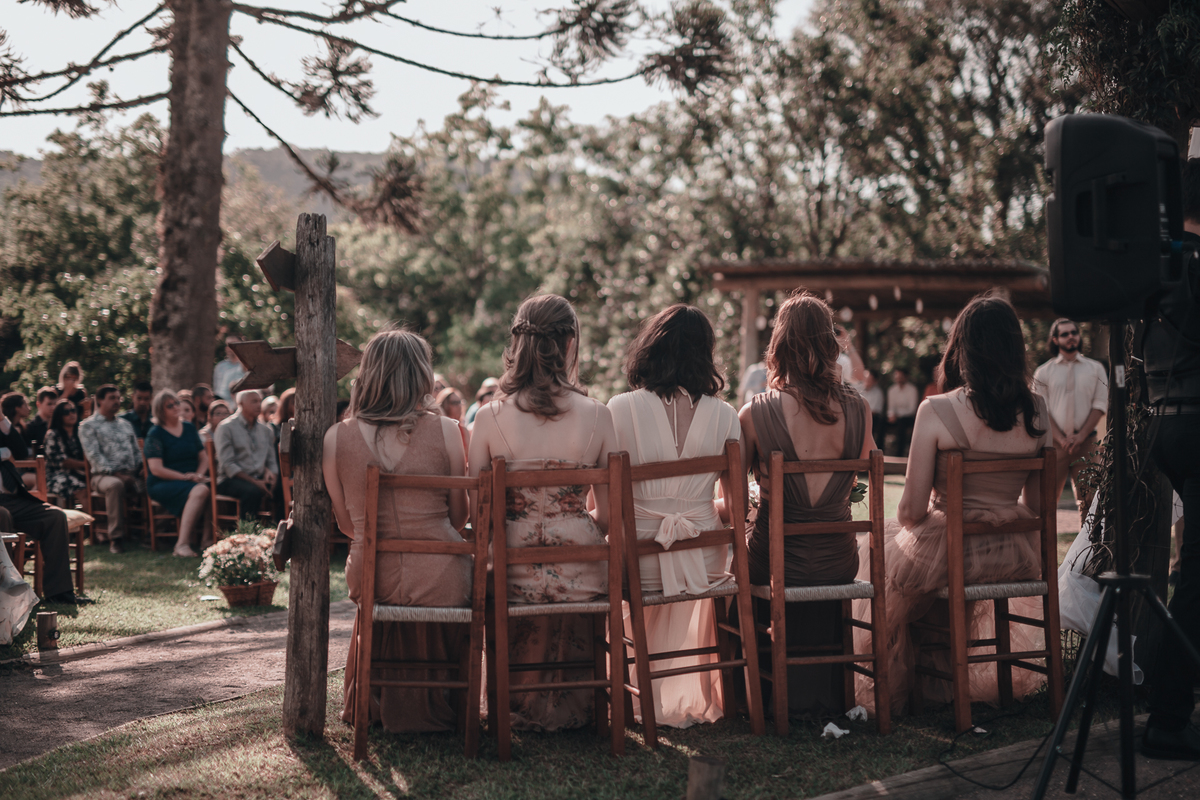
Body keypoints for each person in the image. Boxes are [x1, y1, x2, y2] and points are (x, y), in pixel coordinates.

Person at [858, 292, 1051, 714]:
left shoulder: (938, 409)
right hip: (1014, 552)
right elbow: (1038, 504)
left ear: (963, 349)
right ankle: (940, 683)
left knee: (880, 555)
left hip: (953, 549)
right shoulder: (1038, 410)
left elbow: (910, 513)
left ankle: (917, 686)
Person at [468, 294, 619, 731]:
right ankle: (579, 706)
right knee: (579, 559)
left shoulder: (490, 417)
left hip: (512, 573)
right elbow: (608, 517)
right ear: (570, 344)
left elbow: (481, 518)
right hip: (584, 571)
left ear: (518, 345)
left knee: (508, 564)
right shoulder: (599, 415)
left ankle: (514, 702)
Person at [324, 327, 471, 733]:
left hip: (372, 575)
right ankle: (440, 700)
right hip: (442, 576)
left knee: (370, 570)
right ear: (421, 374)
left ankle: (377, 697)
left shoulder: (337, 437)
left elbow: (345, 523)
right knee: (453, 571)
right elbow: (458, 517)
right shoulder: (447, 431)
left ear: (368, 373)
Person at [739, 291, 876, 715]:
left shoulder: (753, 413)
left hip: (774, 563)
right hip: (839, 560)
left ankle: (752, 695)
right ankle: (826, 689)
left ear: (778, 346)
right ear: (829, 344)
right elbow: (866, 469)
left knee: (731, 565)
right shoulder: (859, 409)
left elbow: (733, 492)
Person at [609, 304, 739, 728]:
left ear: (651, 347)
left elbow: (610, 506)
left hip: (641, 561)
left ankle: (631, 691)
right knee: (701, 567)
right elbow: (735, 510)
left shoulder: (619, 409)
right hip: (704, 563)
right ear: (706, 354)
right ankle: (688, 688)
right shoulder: (726, 416)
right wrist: (700, 512)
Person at [1140, 157, 1200, 759]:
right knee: (1197, 577)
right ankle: (1168, 713)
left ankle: (1168, 702)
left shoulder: (1156, 268)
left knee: (1194, 571)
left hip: (1166, 423)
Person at [0, 412, 88, 604]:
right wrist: (4, 453)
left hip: (12, 497)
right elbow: (8, 453)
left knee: (55, 517)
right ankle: (7, 595)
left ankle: (59, 593)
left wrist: (1, 420)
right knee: (2, 516)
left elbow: (21, 451)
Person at [1032, 318, 1107, 524]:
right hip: (1054, 444)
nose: (1071, 336)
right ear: (1055, 339)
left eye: (1074, 332)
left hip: (1087, 442)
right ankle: (1045, 554)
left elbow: (1100, 404)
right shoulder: (1043, 372)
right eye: (1065, 334)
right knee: (1046, 500)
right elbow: (1041, 409)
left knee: (1090, 502)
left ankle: (1090, 553)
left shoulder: (1096, 368)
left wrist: (1080, 436)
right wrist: (1062, 439)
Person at [145, 390, 211, 558]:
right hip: (163, 482)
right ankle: (181, 545)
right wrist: (185, 477)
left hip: (191, 478)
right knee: (201, 490)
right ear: (161, 410)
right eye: (170, 405)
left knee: (213, 486)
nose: (176, 407)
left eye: (176, 403)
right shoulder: (155, 433)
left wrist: (198, 474)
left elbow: (204, 458)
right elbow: (156, 469)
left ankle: (207, 540)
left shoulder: (189, 428)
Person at [78, 385, 144, 554]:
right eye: (112, 398)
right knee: (115, 485)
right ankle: (116, 538)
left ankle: (153, 532)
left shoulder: (125, 424)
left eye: (118, 398)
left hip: (131, 473)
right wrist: (116, 473)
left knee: (154, 480)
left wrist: (138, 470)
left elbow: (136, 452)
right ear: (100, 400)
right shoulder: (88, 426)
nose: (117, 401)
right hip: (103, 476)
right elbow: (94, 456)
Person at [214, 390, 282, 520]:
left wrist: (273, 476)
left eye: (259, 401)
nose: (258, 405)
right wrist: (255, 482)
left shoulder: (266, 430)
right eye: (254, 401)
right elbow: (228, 465)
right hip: (231, 479)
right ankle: (248, 533)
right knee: (252, 491)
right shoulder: (226, 428)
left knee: (281, 489)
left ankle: (278, 532)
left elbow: (271, 460)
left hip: (259, 477)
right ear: (241, 404)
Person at [43, 399, 87, 511]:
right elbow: (62, 462)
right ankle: (93, 522)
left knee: (96, 484)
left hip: (80, 473)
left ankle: (98, 522)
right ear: (59, 416)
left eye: (73, 410)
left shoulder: (81, 433)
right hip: (56, 476)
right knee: (82, 489)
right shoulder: (52, 434)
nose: (71, 414)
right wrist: (86, 464)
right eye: (66, 412)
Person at [886, 368, 919, 457]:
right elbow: (891, 407)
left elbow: (912, 409)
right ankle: (879, 451)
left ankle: (899, 454)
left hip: (907, 417)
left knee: (902, 423)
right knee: (881, 422)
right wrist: (891, 415)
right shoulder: (891, 390)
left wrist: (898, 415)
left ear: (906, 377)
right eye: (897, 377)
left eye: (901, 377)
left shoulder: (912, 390)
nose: (899, 379)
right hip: (895, 417)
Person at [213, 334, 248, 403]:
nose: (229, 348)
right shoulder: (220, 366)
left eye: (233, 344)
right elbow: (216, 388)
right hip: (223, 404)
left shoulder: (246, 365)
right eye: (227, 345)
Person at [24, 386, 58, 453]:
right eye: (49, 404)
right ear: (38, 404)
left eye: (55, 404)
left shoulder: (59, 424)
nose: (53, 407)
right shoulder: (30, 427)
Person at [436, 387, 469, 454]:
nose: (459, 406)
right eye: (455, 402)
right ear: (444, 405)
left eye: (460, 402)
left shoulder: (463, 430)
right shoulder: (437, 430)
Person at [861, 369, 885, 445]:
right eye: (866, 378)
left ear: (875, 381)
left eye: (869, 379)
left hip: (871, 417)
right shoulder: (857, 389)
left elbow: (875, 410)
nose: (867, 381)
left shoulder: (878, 393)